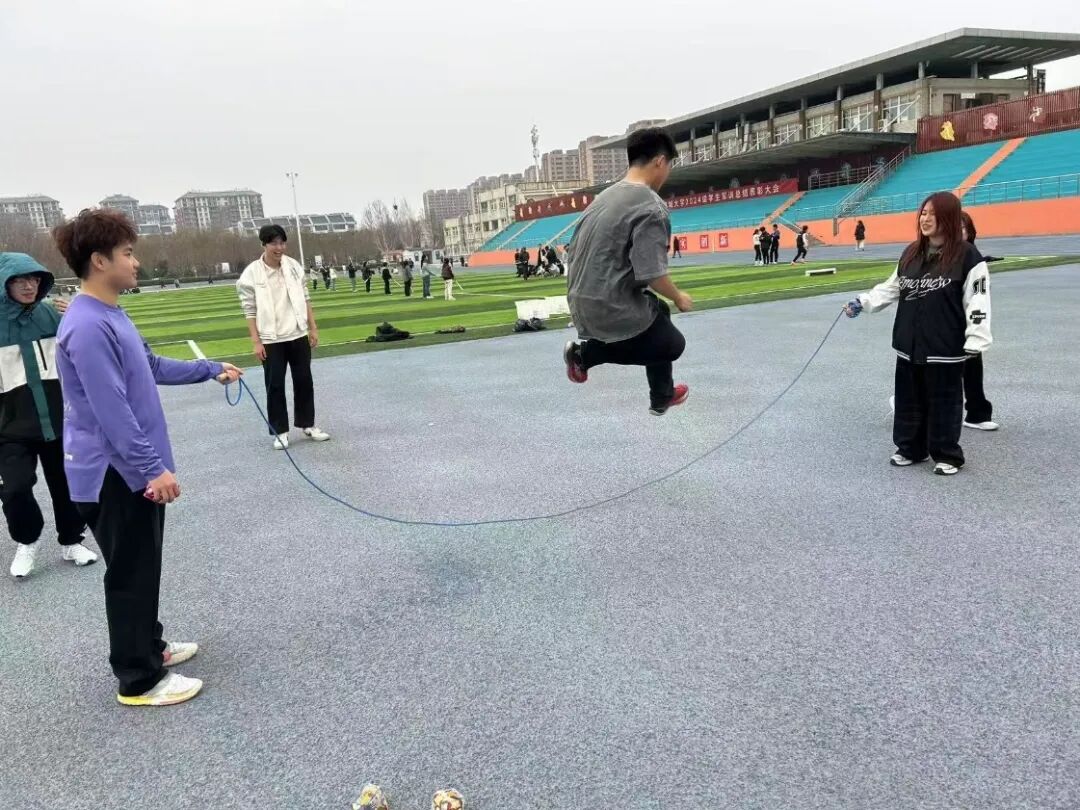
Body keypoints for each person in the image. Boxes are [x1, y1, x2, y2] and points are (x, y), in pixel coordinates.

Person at [52, 209, 242, 707]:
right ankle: (138, 678)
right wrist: (151, 469)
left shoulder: (112, 313)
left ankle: (149, 646)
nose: (136, 262)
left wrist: (208, 369)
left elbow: (151, 365)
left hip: (127, 468)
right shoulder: (87, 325)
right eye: (128, 253)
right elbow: (110, 411)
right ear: (99, 261)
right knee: (130, 573)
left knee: (142, 564)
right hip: (113, 473)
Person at [843, 191, 991, 476]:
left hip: (945, 346)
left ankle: (946, 454)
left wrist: (976, 337)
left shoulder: (967, 256)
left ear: (948, 218)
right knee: (909, 399)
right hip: (908, 343)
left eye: (933, 214)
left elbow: (978, 300)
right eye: (923, 213)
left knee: (944, 402)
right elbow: (891, 287)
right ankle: (910, 448)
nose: (926, 219)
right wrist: (862, 301)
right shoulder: (911, 253)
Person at [563, 127, 693, 416]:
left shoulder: (603, 198)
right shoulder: (651, 207)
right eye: (669, 166)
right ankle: (585, 356)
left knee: (658, 311)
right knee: (673, 345)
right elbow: (652, 274)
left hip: (580, 303)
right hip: (610, 308)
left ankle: (662, 396)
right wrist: (679, 297)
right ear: (660, 161)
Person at [0, 253, 97, 579]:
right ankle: (27, 540)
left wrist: (81, 315)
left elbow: (93, 346)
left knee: (67, 484)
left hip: (58, 420)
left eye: (34, 279)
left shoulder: (53, 314)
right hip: (10, 428)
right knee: (14, 489)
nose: (29, 286)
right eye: (20, 280)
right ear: (4, 284)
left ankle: (71, 540)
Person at [237, 224, 331, 450]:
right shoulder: (251, 273)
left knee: (304, 381)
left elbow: (306, 299)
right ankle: (280, 431)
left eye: (282, 243)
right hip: (271, 339)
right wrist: (256, 341)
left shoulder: (293, 266)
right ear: (264, 244)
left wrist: (313, 328)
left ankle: (308, 424)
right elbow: (249, 310)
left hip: (297, 333)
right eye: (274, 243)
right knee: (275, 385)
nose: (279, 248)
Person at [959, 211, 998, 431]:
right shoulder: (934, 254)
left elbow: (978, 298)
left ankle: (977, 413)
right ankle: (906, 403)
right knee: (932, 370)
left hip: (966, 323)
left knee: (972, 368)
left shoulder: (973, 257)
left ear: (969, 231)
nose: (957, 232)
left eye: (962, 228)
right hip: (941, 322)